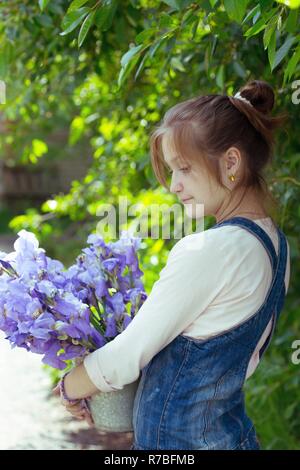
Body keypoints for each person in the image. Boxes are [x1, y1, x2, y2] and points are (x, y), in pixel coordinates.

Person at [53, 80, 290, 450]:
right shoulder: (275, 245)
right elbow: (199, 367)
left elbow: (126, 356)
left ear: (231, 162)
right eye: (171, 171)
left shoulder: (211, 249)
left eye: (184, 168)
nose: (175, 186)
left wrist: (70, 387)